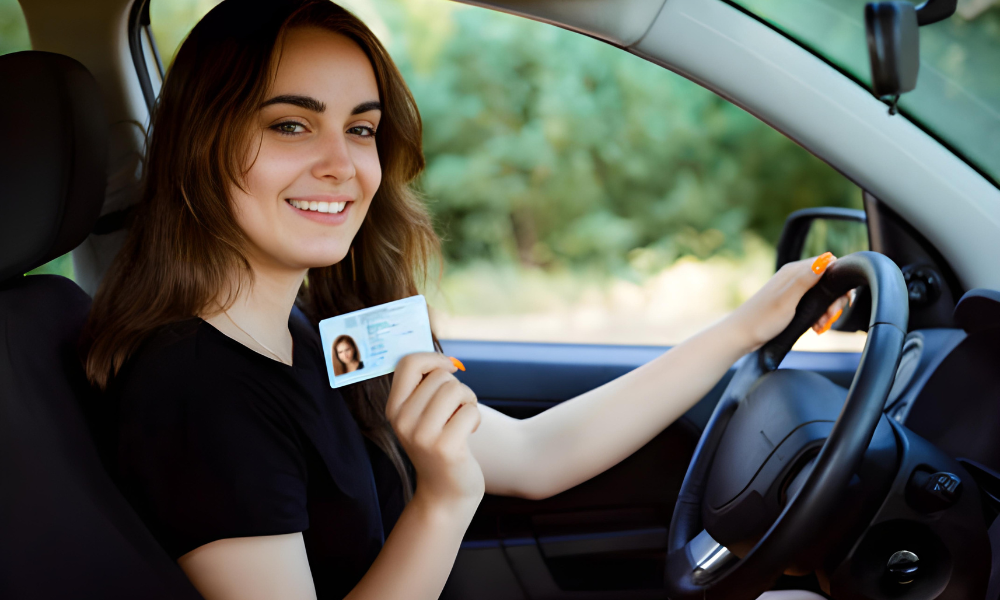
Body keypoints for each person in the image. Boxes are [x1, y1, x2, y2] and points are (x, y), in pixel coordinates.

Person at [82, 1, 845, 598]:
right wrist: (443, 500)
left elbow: (538, 455)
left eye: (361, 129)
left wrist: (746, 327)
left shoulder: (315, 334)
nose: (342, 164)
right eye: (291, 125)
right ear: (201, 145)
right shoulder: (197, 389)